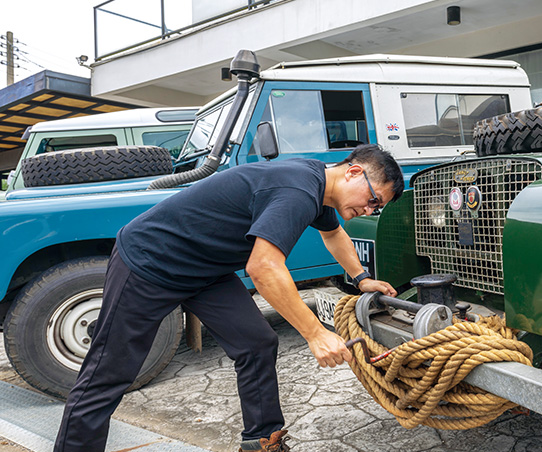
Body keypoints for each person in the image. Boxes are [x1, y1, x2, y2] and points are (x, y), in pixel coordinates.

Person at [54, 144, 404, 452]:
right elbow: (264, 268)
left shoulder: (320, 188)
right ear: (354, 173)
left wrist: (361, 279)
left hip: (205, 270)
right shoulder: (297, 189)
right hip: (151, 261)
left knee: (256, 343)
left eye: (378, 208)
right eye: (374, 200)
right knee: (110, 373)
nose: (372, 210)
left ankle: (261, 442)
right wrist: (315, 333)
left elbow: (333, 234)